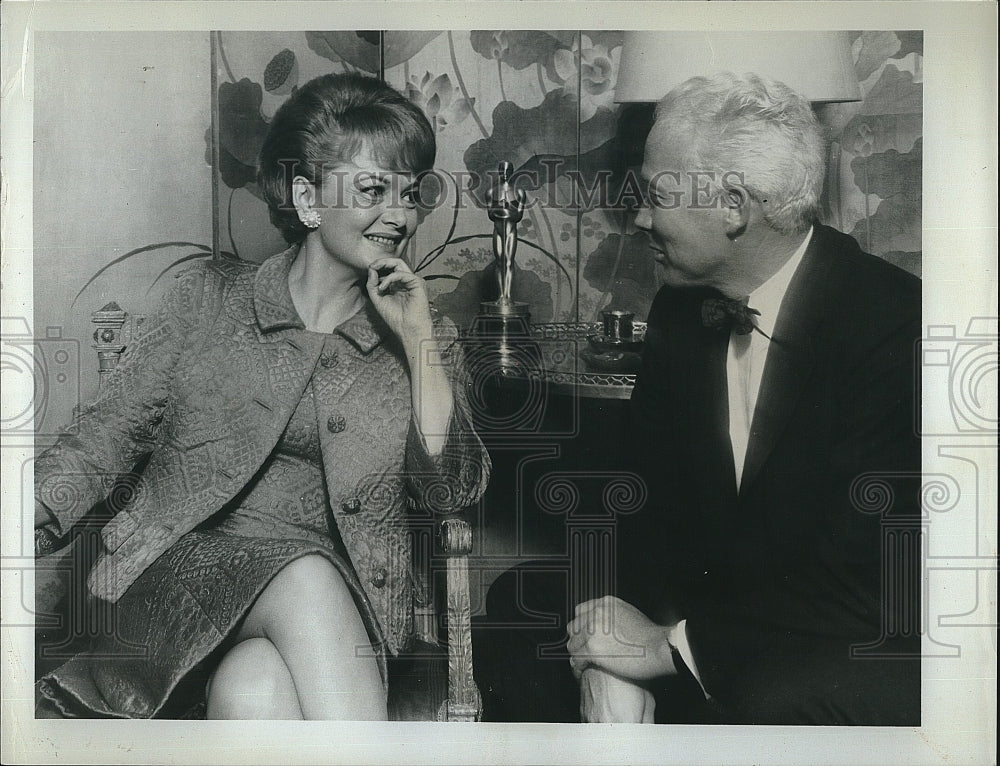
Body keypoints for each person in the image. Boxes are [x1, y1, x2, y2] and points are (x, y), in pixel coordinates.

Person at [33, 72, 489, 720]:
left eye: (411, 193)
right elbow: (102, 439)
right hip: (183, 583)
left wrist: (419, 342)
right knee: (302, 573)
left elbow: (453, 491)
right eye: (372, 189)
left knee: (254, 689)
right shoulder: (208, 304)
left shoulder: (425, 333)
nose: (401, 214)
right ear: (307, 198)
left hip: (342, 611)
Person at [474, 71, 921, 725]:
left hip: (853, 636)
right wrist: (610, 658)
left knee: (770, 698)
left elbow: (864, 593)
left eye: (656, 195)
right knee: (522, 605)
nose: (641, 217)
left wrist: (667, 649)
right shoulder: (681, 310)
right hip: (722, 608)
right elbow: (647, 511)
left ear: (734, 207)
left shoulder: (894, 328)